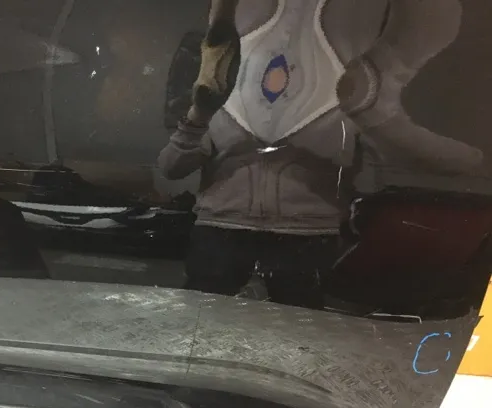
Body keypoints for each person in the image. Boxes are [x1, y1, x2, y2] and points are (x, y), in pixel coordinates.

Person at [159, 0, 482, 309]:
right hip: (222, 229)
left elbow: (375, 179)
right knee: (205, 328)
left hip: (305, 234)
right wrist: (199, 114)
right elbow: (170, 167)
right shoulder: (220, 99)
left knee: (300, 335)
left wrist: (357, 128)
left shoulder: (349, 100)